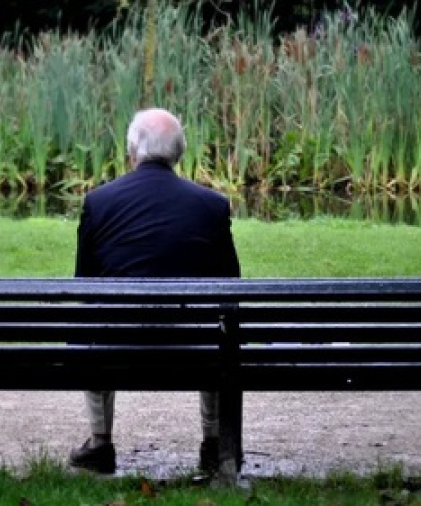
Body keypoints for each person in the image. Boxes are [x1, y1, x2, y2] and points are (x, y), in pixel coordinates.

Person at [68, 107, 242, 475]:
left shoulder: (99, 202)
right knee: (219, 332)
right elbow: (231, 287)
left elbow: (83, 284)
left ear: (133, 149)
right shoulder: (211, 206)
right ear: (179, 153)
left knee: (93, 326)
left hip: (117, 345)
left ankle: (100, 443)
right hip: (195, 347)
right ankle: (214, 445)